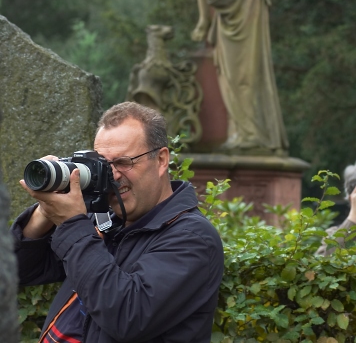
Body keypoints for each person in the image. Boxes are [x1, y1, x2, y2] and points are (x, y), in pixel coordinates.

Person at [11, 101, 224, 343]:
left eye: (123, 162)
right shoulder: (105, 223)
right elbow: (19, 269)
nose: (112, 175)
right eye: (102, 164)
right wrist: (45, 211)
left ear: (161, 160)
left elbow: (127, 316)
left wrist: (72, 223)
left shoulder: (193, 238)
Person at [207, 0, 289, 153]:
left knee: (239, 84)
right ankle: (247, 133)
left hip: (237, 43)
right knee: (246, 83)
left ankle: (249, 134)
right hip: (243, 39)